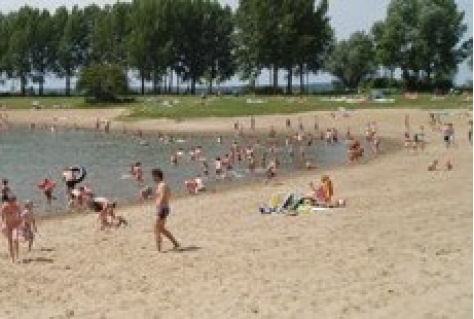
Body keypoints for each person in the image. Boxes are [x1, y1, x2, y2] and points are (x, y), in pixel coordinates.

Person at [152, 168, 179, 252]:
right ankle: (175, 243)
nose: (153, 178)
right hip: (163, 208)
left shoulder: (162, 185)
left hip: (162, 209)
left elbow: (163, 196)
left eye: (154, 176)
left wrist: (158, 205)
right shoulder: (162, 185)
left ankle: (158, 250)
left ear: (157, 176)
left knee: (156, 228)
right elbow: (166, 195)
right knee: (161, 229)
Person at [1, 196, 22, 263]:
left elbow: (20, 214)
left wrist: (20, 221)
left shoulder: (17, 206)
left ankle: (17, 255)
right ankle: (12, 258)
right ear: (8, 202)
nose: (13, 203)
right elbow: (1, 216)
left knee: (15, 239)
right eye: (11, 201)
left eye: (14, 201)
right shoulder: (5, 207)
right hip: (8, 226)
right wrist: (3, 223)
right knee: (10, 242)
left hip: (15, 225)